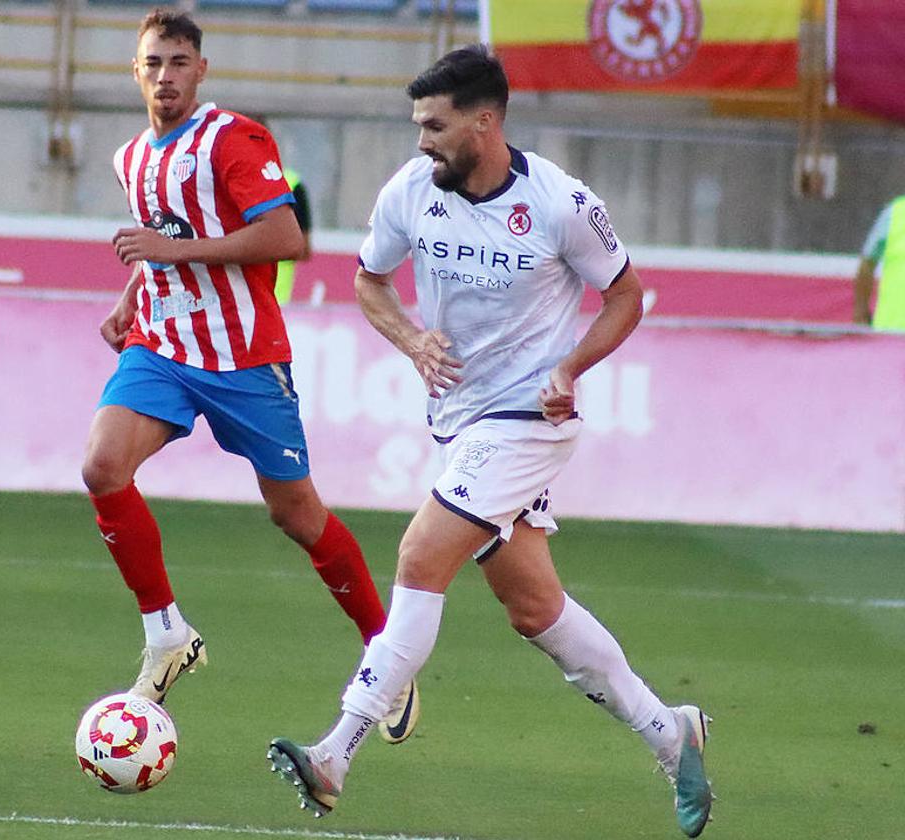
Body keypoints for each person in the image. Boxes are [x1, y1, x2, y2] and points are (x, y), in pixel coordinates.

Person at [267, 45, 713, 838]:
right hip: (462, 423)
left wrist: (572, 366)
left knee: (417, 558)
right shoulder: (412, 191)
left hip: (529, 423)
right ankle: (668, 731)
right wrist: (411, 339)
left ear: (485, 120)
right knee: (534, 608)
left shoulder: (559, 203)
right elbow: (369, 281)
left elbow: (626, 295)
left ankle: (337, 749)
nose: (421, 142)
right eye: (417, 126)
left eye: (435, 127)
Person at [89, 8, 417, 743]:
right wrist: (131, 295)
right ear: (135, 72)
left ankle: (384, 655)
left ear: (201, 70)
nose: (165, 76)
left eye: (178, 62)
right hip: (163, 348)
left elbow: (285, 235)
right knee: (102, 466)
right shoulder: (130, 157)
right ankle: (167, 633)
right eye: (153, 64)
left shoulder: (233, 139)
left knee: (296, 516)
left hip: (244, 358)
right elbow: (161, 241)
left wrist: (171, 257)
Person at [853, 193, 905, 331]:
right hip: (891, 333)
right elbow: (867, 265)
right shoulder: (896, 212)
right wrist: (861, 311)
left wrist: (861, 311)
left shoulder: (897, 212)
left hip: (890, 333)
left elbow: (867, 265)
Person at [275, 166, 312, 304]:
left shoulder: (248, 179)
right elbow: (304, 246)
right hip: (283, 267)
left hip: (252, 263)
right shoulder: (292, 182)